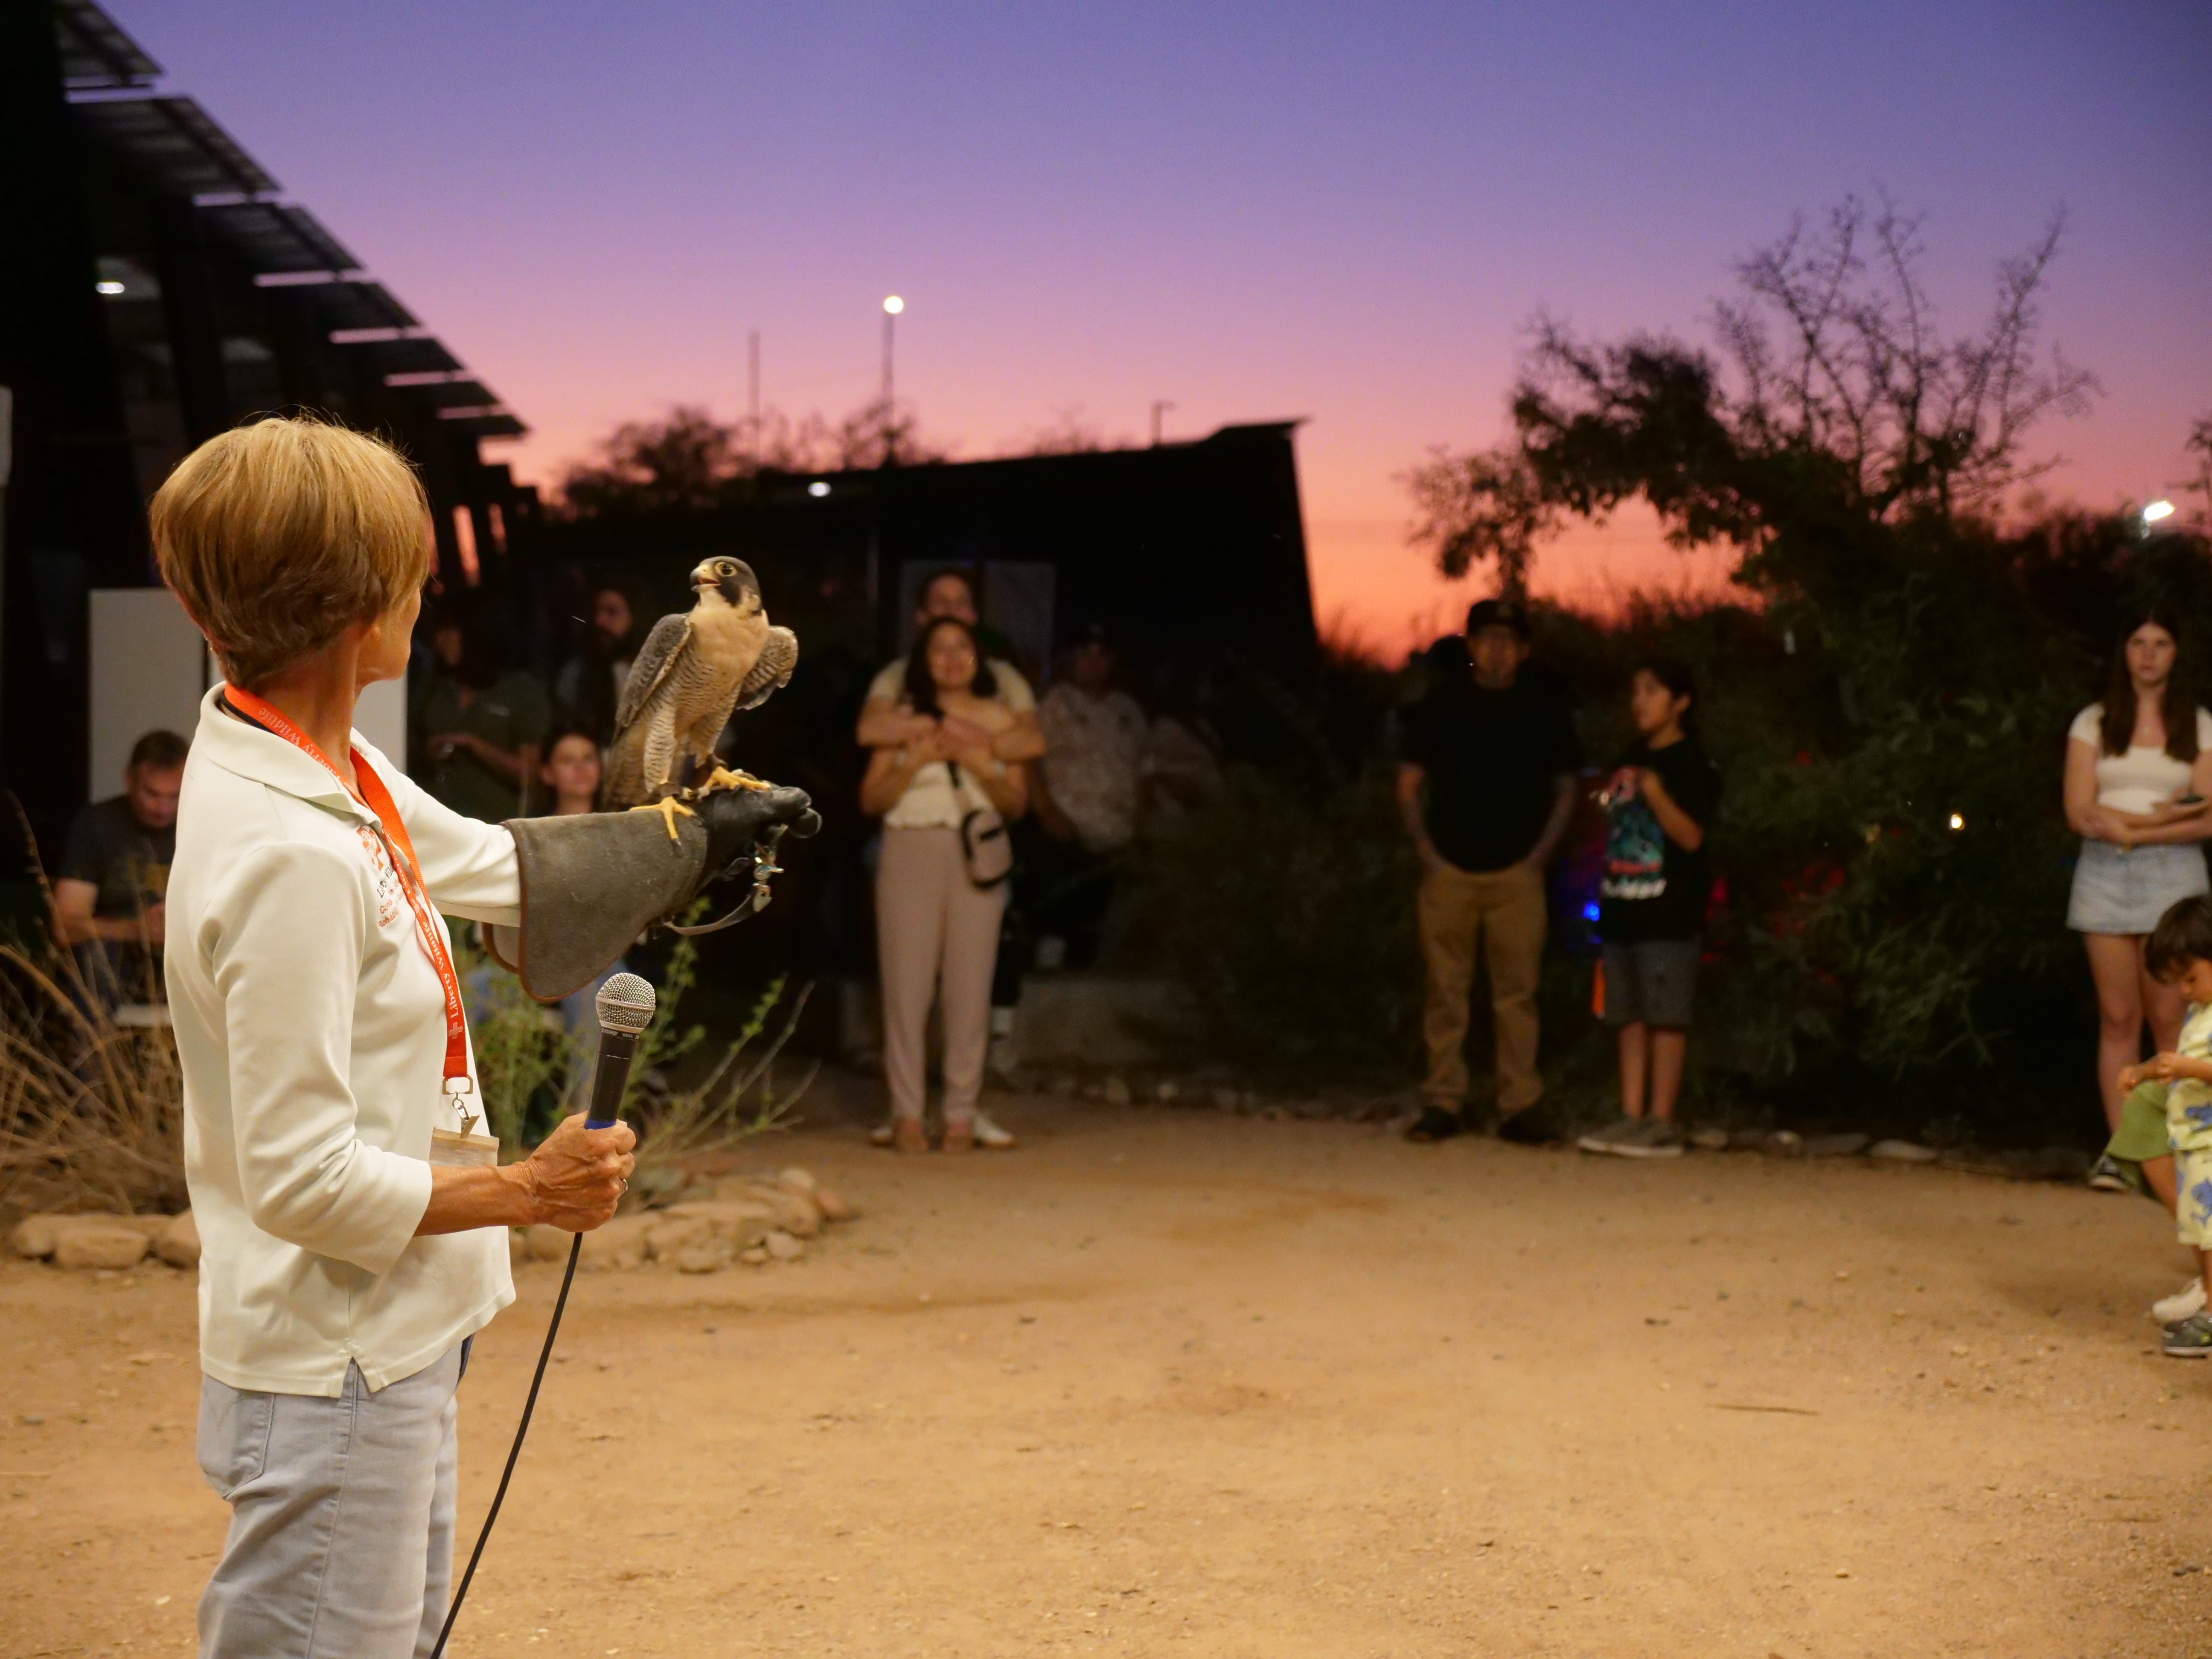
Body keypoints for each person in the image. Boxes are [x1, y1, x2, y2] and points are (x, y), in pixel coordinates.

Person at [149, 416, 640, 1659]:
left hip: (391, 1337)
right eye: (414, 564)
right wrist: (528, 1192)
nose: (431, 583)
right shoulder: (289, 852)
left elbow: (481, 861)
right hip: (337, 1359)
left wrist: (682, 845)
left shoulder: (309, 756)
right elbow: (301, 1177)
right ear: (359, 608)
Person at [858, 568, 1042, 1146]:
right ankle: (907, 1113)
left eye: (961, 646)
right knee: (907, 987)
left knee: (970, 986)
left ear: (977, 652)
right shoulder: (901, 711)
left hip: (974, 850)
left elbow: (1016, 801)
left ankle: (961, 1112)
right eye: (939, 648)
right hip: (910, 846)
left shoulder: (1002, 711)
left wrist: (980, 760)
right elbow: (871, 796)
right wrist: (913, 761)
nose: (951, 657)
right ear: (923, 652)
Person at [1396, 598, 1580, 1142]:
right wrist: (1427, 853)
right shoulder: (1441, 704)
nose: (1497, 650)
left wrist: (1538, 859)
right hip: (1450, 871)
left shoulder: (1545, 708)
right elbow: (1408, 782)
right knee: (1445, 992)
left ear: (1523, 650)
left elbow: (1567, 787)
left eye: (1508, 641)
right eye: (1486, 639)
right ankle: (1443, 1102)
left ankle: (1519, 1106)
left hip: (1516, 876)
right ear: (1472, 646)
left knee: (1517, 995)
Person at [2063, 608, 2212, 1190]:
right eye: (2137, 642)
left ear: (2177, 653)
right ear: (2123, 652)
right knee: (2119, 1017)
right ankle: (2123, 1155)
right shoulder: (2094, 722)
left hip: (2173, 876)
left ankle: (2178, 1148)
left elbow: (2207, 815)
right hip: (2104, 875)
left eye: (2162, 643)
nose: (2149, 654)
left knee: (2172, 1018)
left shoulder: (2198, 725)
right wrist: (2155, 816)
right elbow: (2080, 810)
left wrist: (2132, 829)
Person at [1576, 661, 1721, 1159]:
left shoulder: (1690, 762)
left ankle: (1662, 1122)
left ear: (1681, 702)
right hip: (1622, 907)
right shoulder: (1631, 756)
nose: (1639, 701)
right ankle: (1630, 1117)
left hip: (1669, 913)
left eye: (1652, 691)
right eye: (1635, 691)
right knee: (1628, 1015)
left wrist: (1657, 793)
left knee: (1666, 1016)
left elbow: (1691, 836)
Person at [2119, 896, 2212, 1356]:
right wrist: (2141, 1071)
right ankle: (2208, 1307)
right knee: (2199, 1230)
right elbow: (2173, 1062)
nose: (2184, 992)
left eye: (2191, 978)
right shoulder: (2200, 1014)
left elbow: (2193, 1066)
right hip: (2193, 1145)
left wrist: (2192, 1070)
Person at [1032, 626, 1150, 966]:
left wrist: (1141, 825)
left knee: (1095, 933)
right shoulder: (1052, 704)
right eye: (1086, 652)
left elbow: (1144, 770)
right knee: (1056, 929)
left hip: (1116, 836)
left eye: (1103, 654)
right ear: (1072, 658)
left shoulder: (1128, 710)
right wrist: (1046, 810)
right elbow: (1027, 762)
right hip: (1067, 831)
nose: (1094, 661)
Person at [52, 728, 189, 1006]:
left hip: (185, 953)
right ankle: (95, 1049)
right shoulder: (97, 825)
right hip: (118, 958)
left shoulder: (202, 825)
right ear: (130, 780)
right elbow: (64, 926)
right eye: (152, 794)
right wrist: (136, 929)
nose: (163, 808)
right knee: (96, 958)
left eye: (174, 797)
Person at [415, 611, 552, 823]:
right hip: (438, 820)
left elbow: (530, 774)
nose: (441, 639)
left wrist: (473, 744)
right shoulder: (433, 686)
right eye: (439, 631)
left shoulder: (520, 690)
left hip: (497, 824)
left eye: (451, 631)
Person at [553, 581, 640, 744]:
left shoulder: (663, 672)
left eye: (612, 612)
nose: (599, 621)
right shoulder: (575, 676)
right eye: (596, 612)